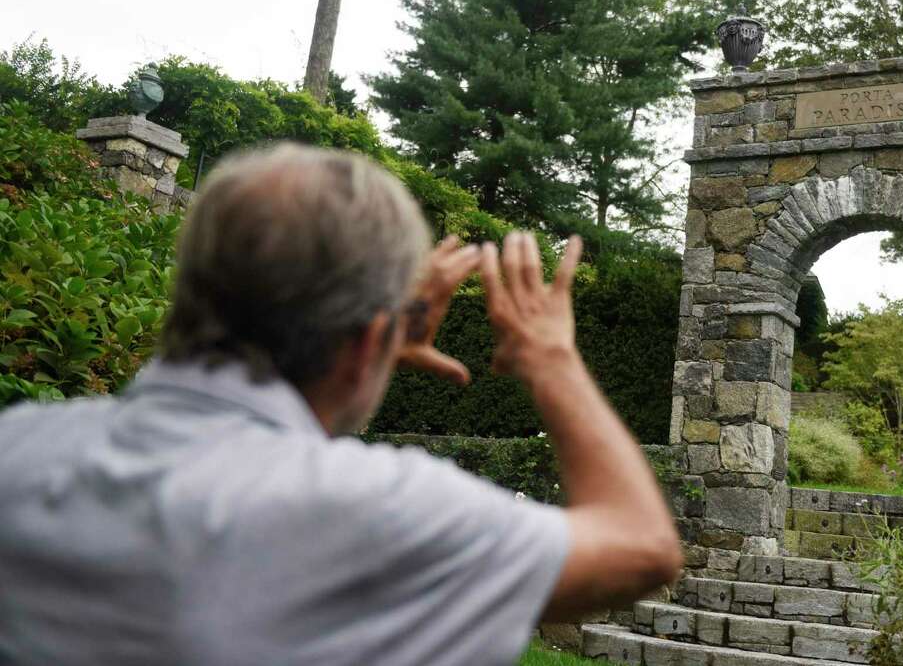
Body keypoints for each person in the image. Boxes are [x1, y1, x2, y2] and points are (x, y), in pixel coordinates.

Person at [0, 143, 682, 666]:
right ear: (367, 340)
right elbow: (643, 546)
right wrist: (549, 356)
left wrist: (368, 350)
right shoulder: (382, 512)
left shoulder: (18, 446)